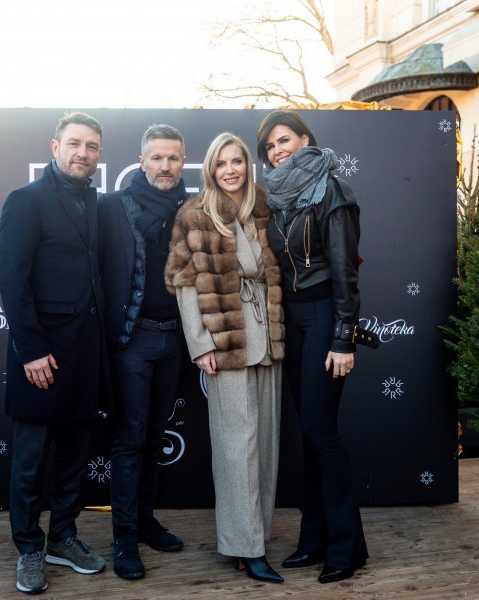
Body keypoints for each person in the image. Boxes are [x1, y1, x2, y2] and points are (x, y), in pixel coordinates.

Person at [165, 132, 285, 583]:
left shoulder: (262, 209)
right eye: (222, 163)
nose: (231, 170)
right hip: (225, 341)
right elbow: (184, 284)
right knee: (238, 447)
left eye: (238, 162)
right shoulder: (195, 214)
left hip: (268, 339)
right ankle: (244, 546)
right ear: (210, 169)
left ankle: (255, 536)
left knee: (266, 445)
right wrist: (200, 344)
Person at [255, 110, 369, 584]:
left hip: (325, 316)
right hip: (293, 320)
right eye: (270, 147)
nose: (277, 151)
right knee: (306, 433)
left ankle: (348, 546)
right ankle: (313, 539)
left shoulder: (332, 190)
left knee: (321, 431)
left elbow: (345, 271)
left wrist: (344, 337)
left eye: (284, 140)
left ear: (306, 138)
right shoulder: (276, 198)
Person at [0, 112, 108, 594]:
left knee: (73, 457)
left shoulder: (97, 205)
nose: (84, 153)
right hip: (39, 356)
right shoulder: (25, 201)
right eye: (75, 144)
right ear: (55, 146)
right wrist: (32, 351)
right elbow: (12, 281)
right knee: (30, 461)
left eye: (93, 146)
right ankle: (28, 547)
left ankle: (63, 537)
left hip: (84, 353)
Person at [98, 124, 188, 580]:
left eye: (173, 158)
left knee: (155, 437)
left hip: (174, 339)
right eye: (157, 157)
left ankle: (147, 522)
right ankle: (124, 536)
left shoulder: (193, 210)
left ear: (182, 162)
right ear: (141, 160)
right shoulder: (112, 207)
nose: (165, 166)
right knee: (130, 440)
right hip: (131, 341)